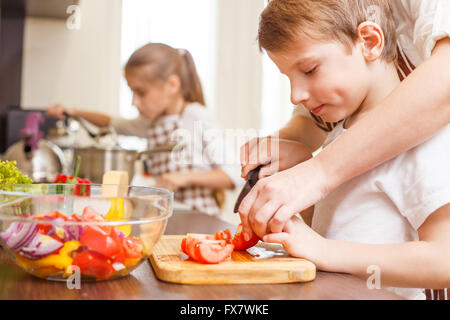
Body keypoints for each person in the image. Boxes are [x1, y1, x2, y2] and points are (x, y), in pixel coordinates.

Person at [243, 0, 449, 299]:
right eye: (289, 78)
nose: (295, 95)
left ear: (369, 42)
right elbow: (321, 238)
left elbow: (444, 260)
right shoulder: (340, 134)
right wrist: (301, 162)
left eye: (310, 70)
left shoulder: (423, 139)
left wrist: (325, 251)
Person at [46, 43, 238, 216]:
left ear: (172, 85)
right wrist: (72, 111)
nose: (134, 102)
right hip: (168, 216)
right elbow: (111, 123)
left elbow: (232, 175)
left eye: (141, 92)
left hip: (200, 220)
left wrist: (183, 178)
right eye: (132, 91)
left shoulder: (197, 116)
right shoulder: (151, 122)